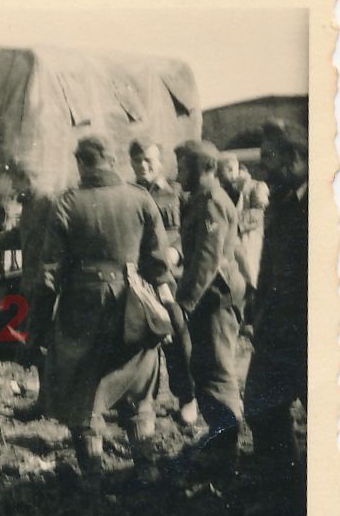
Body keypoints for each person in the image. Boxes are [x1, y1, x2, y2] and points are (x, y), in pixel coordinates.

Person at [37, 136, 173, 479]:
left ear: (81, 163)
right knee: (138, 383)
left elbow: (49, 271)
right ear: (112, 161)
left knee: (82, 386)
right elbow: (158, 261)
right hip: (133, 301)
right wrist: (163, 304)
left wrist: (38, 324)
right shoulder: (141, 198)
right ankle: (146, 467)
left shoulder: (67, 202)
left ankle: (93, 474)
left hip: (81, 306)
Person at [167, 141, 245, 471]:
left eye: (183, 166)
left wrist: (185, 302)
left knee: (216, 368)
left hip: (215, 296)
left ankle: (225, 447)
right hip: (208, 296)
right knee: (206, 366)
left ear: (202, 169)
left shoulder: (211, 201)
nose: (177, 173)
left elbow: (208, 259)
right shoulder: (200, 199)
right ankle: (219, 436)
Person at [243, 125, 307, 476]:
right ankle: (281, 489)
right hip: (276, 332)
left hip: (316, 335)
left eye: (269, 157)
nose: (261, 166)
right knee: (261, 407)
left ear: (294, 158)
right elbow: (268, 266)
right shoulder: (280, 202)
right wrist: (257, 312)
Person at [0, 161, 54, 416]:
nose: (14, 190)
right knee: (35, 343)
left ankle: (49, 402)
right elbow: (17, 237)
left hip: (46, 284)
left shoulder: (48, 203)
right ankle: (45, 400)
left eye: (17, 184)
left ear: (28, 180)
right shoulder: (30, 206)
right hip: (31, 282)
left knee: (43, 344)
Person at [129, 139, 197, 426]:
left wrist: (177, 250)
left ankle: (188, 398)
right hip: (140, 277)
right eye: (137, 160)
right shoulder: (129, 194)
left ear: (160, 162)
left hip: (170, 276)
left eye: (149, 160)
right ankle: (143, 400)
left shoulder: (177, 193)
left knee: (177, 337)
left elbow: (189, 229)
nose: (143, 166)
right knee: (140, 339)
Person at [218, 152, 270, 333]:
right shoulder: (223, 190)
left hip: (249, 243)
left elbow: (258, 214)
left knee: (251, 279)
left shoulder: (255, 187)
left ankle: (254, 320)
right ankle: (242, 320)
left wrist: (233, 224)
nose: (221, 176)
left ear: (234, 168)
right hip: (231, 245)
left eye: (225, 170)